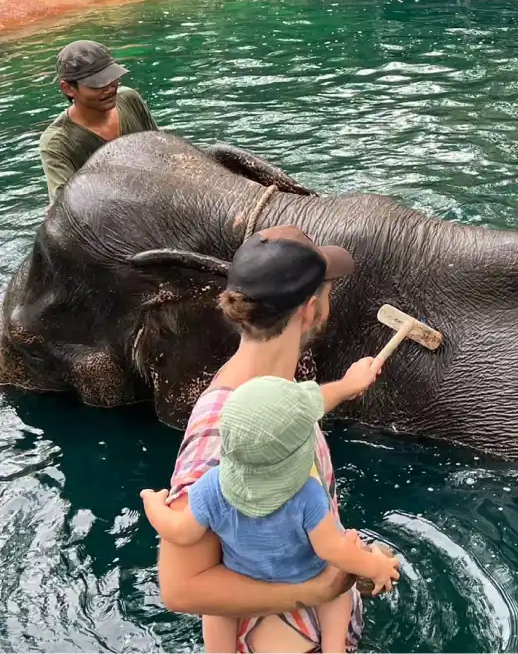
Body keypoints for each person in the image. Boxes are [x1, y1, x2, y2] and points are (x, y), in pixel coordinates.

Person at [147, 225, 398, 654]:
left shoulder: (270, 398)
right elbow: (180, 588)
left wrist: (346, 387)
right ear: (311, 309)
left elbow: (303, 406)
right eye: (327, 292)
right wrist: (320, 589)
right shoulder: (219, 428)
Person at [141, 371, 399, 654]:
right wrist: (375, 567)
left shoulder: (211, 487)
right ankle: (333, 648)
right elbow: (333, 550)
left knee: (216, 611)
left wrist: (153, 504)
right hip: (305, 575)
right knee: (338, 592)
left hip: (245, 580)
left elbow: (178, 530)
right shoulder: (308, 496)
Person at [39, 40, 158, 203]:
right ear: (68, 88)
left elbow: (160, 150)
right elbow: (65, 206)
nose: (109, 89)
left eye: (112, 78)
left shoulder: (130, 99)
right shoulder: (57, 142)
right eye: (97, 84)